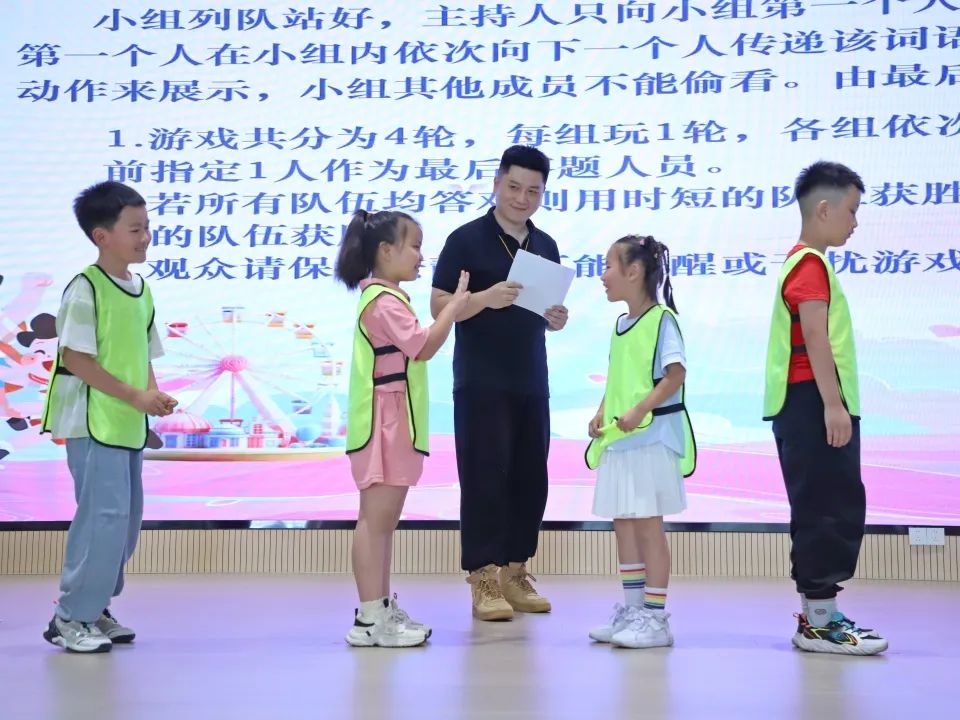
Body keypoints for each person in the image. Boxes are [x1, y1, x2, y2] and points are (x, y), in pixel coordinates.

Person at [431, 145, 568, 621]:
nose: (522, 198)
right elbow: (438, 305)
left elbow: (544, 311)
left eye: (533, 191)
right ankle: (483, 577)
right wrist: (484, 299)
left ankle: (515, 571)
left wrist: (556, 318)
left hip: (531, 378)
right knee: (484, 476)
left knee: (531, 477)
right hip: (480, 379)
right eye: (514, 187)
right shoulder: (466, 239)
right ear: (496, 184)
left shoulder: (546, 245)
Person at [41, 181, 176, 653]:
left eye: (147, 227)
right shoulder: (85, 288)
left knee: (125, 521)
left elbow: (144, 353)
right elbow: (77, 359)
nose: (145, 237)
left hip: (126, 424)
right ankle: (70, 616)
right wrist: (135, 396)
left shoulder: (142, 290)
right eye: (135, 229)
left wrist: (152, 396)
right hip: (92, 423)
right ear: (102, 236)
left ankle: (94, 606)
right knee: (101, 519)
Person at [762, 161, 887, 655]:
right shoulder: (809, 265)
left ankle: (821, 616)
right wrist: (833, 406)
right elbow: (815, 336)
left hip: (811, 402)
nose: (855, 222)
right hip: (813, 403)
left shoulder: (809, 264)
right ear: (823, 209)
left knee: (827, 504)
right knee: (825, 507)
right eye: (852, 210)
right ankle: (819, 623)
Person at [336, 209, 470, 647]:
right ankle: (370, 617)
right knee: (376, 522)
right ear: (385, 250)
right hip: (385, 421)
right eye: (414, 246)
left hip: (389, 418)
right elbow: (422, 345)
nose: (420, 256)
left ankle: (378, 610)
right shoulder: (384, 301)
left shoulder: (386, 298)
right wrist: (453, 309)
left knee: (381, 522)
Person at [585, 235, 696, 649]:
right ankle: (632, 612)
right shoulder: (619, 325)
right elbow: (618, 377)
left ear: (633, 272)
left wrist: (639, 411)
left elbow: (675, 374)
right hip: (619, 440)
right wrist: (602, 412)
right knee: (624, 524)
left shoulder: (661, 319)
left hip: (650, 439)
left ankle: (655, 617)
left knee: (648, 526)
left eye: (608, 266)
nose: (603, 276)